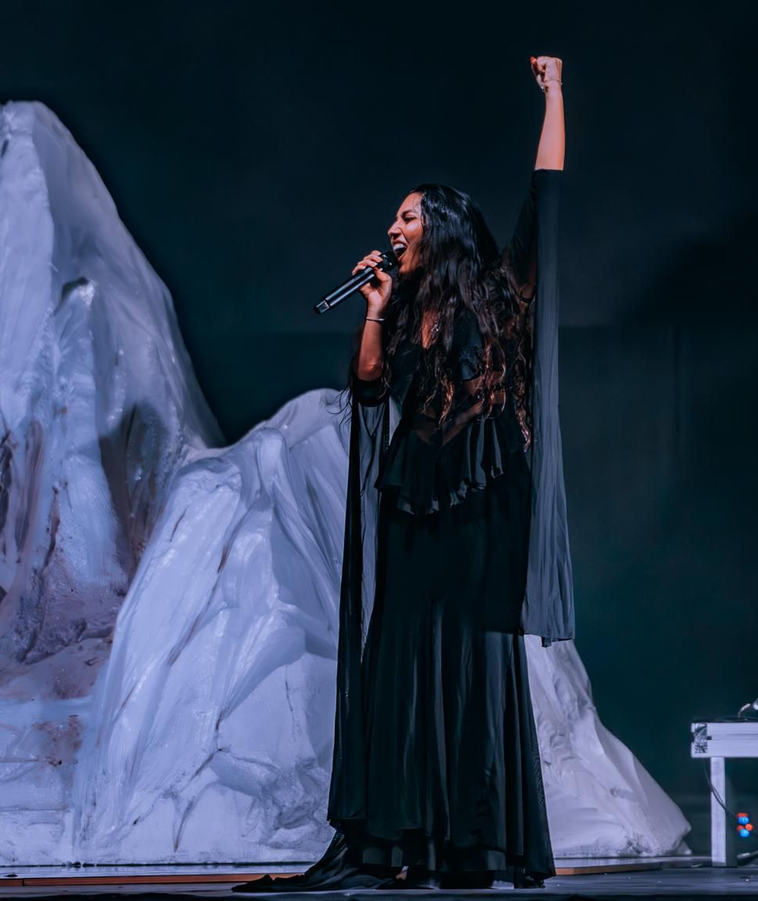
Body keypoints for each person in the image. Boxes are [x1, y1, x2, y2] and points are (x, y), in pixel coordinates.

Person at [238, 55, 573, 892]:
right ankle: (403, 839)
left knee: (469, 661)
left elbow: (546, 197)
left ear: (444, 226)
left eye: (408, 216)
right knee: (404, 658)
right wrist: (377, 311)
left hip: (481, 499)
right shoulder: (407, 304)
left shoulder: (497, 293)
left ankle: (473, 842)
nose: (393, 227)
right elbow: (369, 386)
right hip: (414, 498)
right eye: (394, 217)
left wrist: (554, 95)